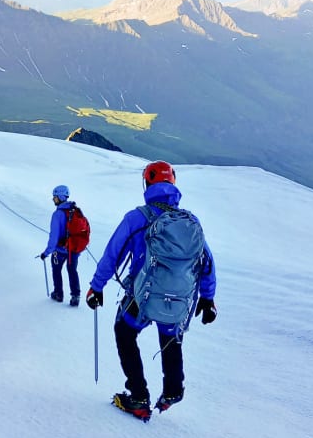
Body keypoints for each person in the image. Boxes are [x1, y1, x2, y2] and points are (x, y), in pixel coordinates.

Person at [86, 161, 216, 421]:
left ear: (147, 184)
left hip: (141, 297)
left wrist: (96, 287)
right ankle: (172, 390)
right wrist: (208, 297)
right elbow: (206, 260)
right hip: (177, 299)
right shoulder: (189, 222)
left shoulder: (138, 218)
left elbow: (112, 255)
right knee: (170, 337)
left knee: (124, 332)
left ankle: (138, 397)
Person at [39, 185, 81, 306]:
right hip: (73, 249)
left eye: (55, 197)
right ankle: (75, 296)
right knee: (72, 270)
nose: (53, 199)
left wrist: (46, 253)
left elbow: (53, 238)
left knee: (57, 270)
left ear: (61, 197)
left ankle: (58, 293)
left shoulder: (57, 215)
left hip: (60, 250)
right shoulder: (75, 210)